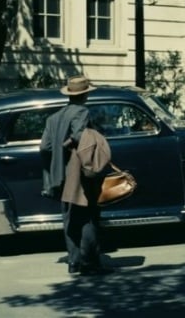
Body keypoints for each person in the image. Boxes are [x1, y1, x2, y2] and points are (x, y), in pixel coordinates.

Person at [40, 76, 112, 276]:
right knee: (87, 217)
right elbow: (81, 136)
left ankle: (74, 262)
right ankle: (90, 264)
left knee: (69, 219)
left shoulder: (53, 118)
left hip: (60, 175)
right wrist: (71, 142)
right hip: (77, 173)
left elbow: (44, 147)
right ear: (85, 94)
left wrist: (58, 156)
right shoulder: (82, 111)